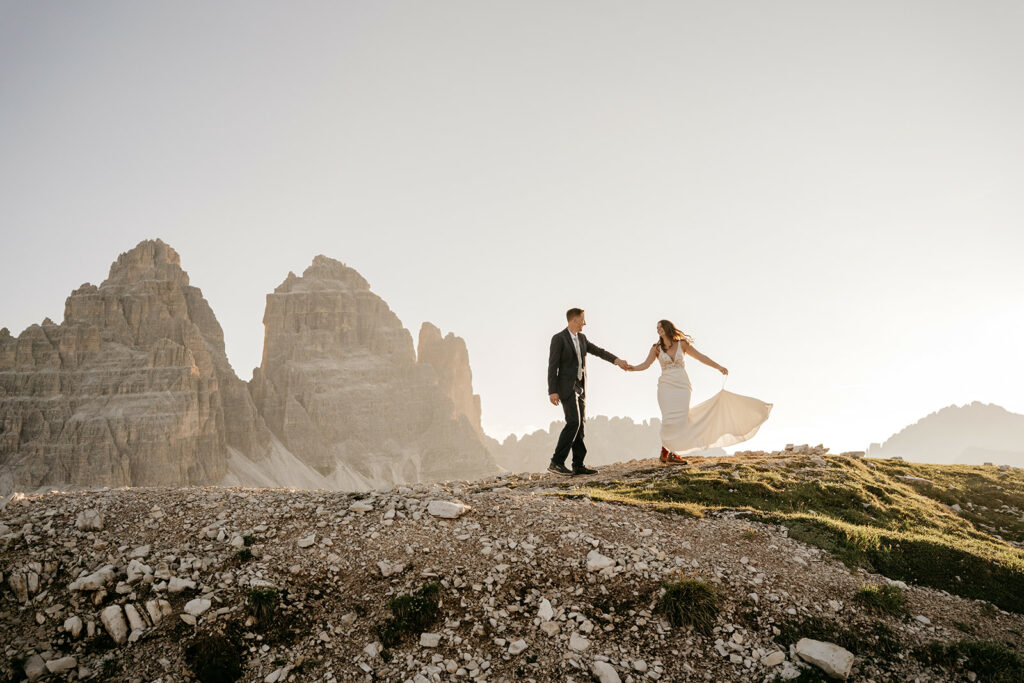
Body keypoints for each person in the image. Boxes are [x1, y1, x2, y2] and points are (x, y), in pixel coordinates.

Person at [625, 319, 772, 463]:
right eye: (657, 328)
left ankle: (672, 453)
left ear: (668, 328)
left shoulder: (682, 344)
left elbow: (701, 357)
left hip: (682, 386)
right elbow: (645, 365)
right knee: (668, 419)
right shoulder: (656, 348)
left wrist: (718, 367)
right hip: (666, 387)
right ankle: (666, 451)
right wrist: (632, 368)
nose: (658, 329)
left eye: (661, 326)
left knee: (681, 420)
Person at [547, 308, 628, 475]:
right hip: (565, 387)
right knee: (573, 422)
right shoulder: (559, 338)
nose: (585, 323)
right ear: (575, 320)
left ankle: (578, 464)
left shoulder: (582, 338)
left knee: (580, 425)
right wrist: (552, 391)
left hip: (581, 387)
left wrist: (617, 360)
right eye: (583, 320)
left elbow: (599, 351)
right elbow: (552, 366)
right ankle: (556, 462)